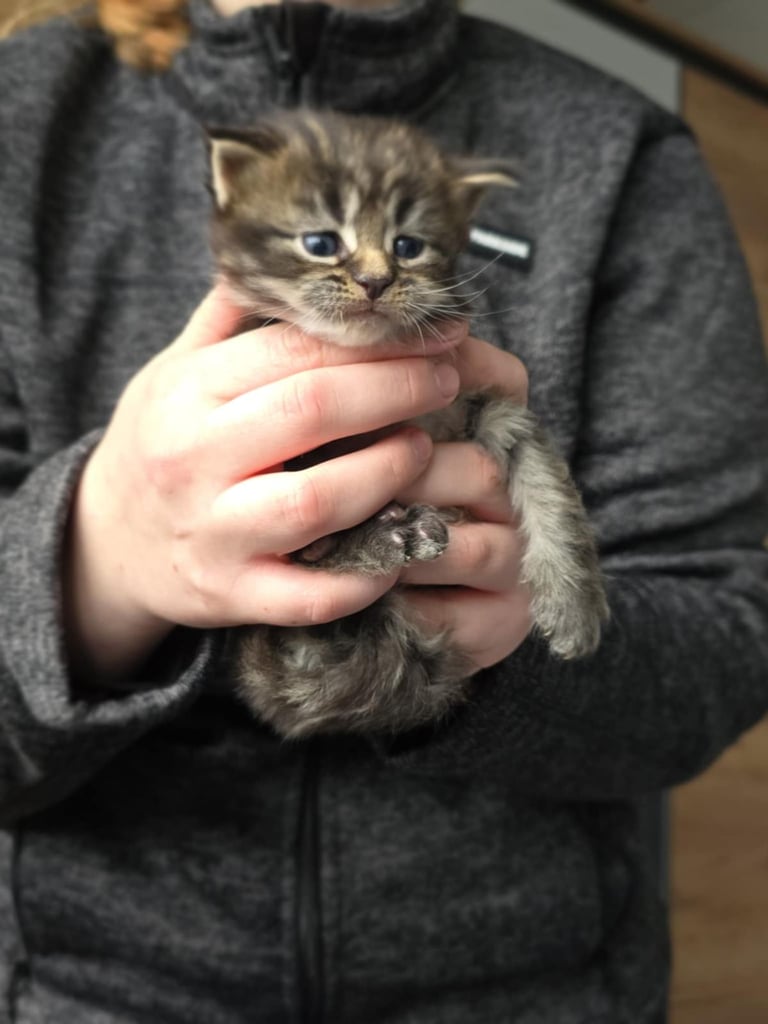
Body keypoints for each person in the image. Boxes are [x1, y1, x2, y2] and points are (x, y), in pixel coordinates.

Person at [1, 0, 767, 1021]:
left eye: (403, 250)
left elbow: (727, 633)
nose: (367, 274)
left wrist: (504, 646)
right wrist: (91, 560)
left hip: (528, 992)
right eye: (328, 243)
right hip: (90, 991)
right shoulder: (28, 109)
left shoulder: (621, 151)